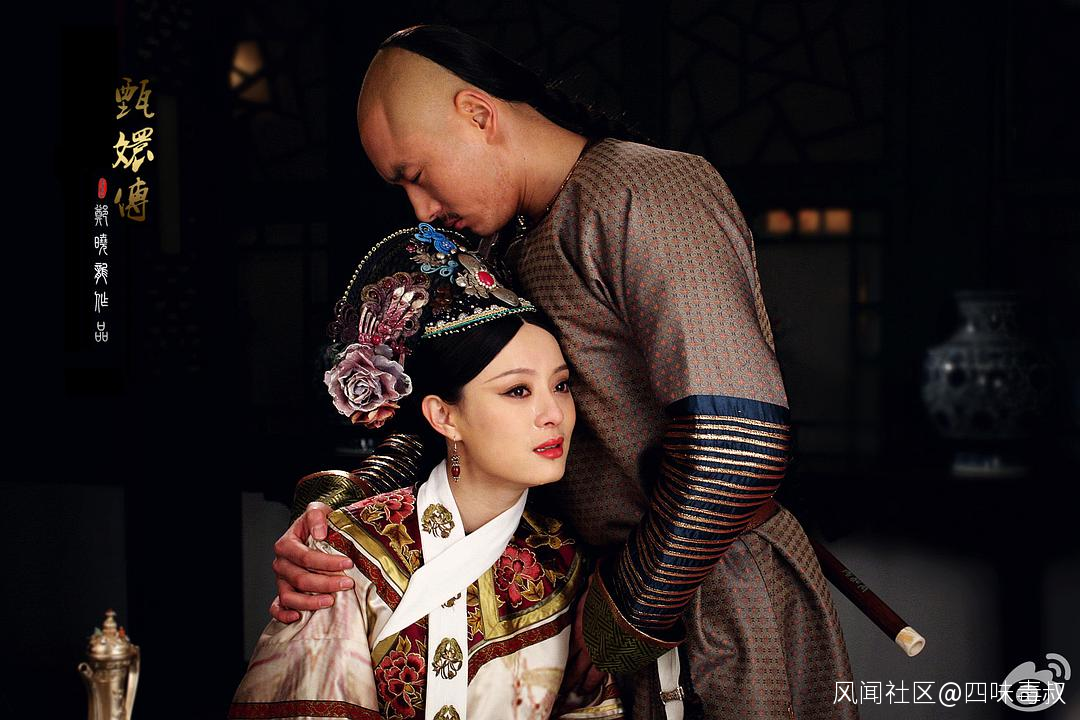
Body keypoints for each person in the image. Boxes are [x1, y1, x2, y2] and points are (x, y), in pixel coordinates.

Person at [271, 25, 858, 720]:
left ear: (478, 114)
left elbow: (736, 443)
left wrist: (629, 605)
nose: (421, 211)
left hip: (718, 600)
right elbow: (453, 412)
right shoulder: (501, 239)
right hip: (585, 595)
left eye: (417, 175)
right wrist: (342, 514)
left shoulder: (647, 190)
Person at [231, 224, 623, 719]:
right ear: (444, 416)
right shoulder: (345, 553)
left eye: (561, 386)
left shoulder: (567, 565)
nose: (554, 414)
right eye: (518, 391)